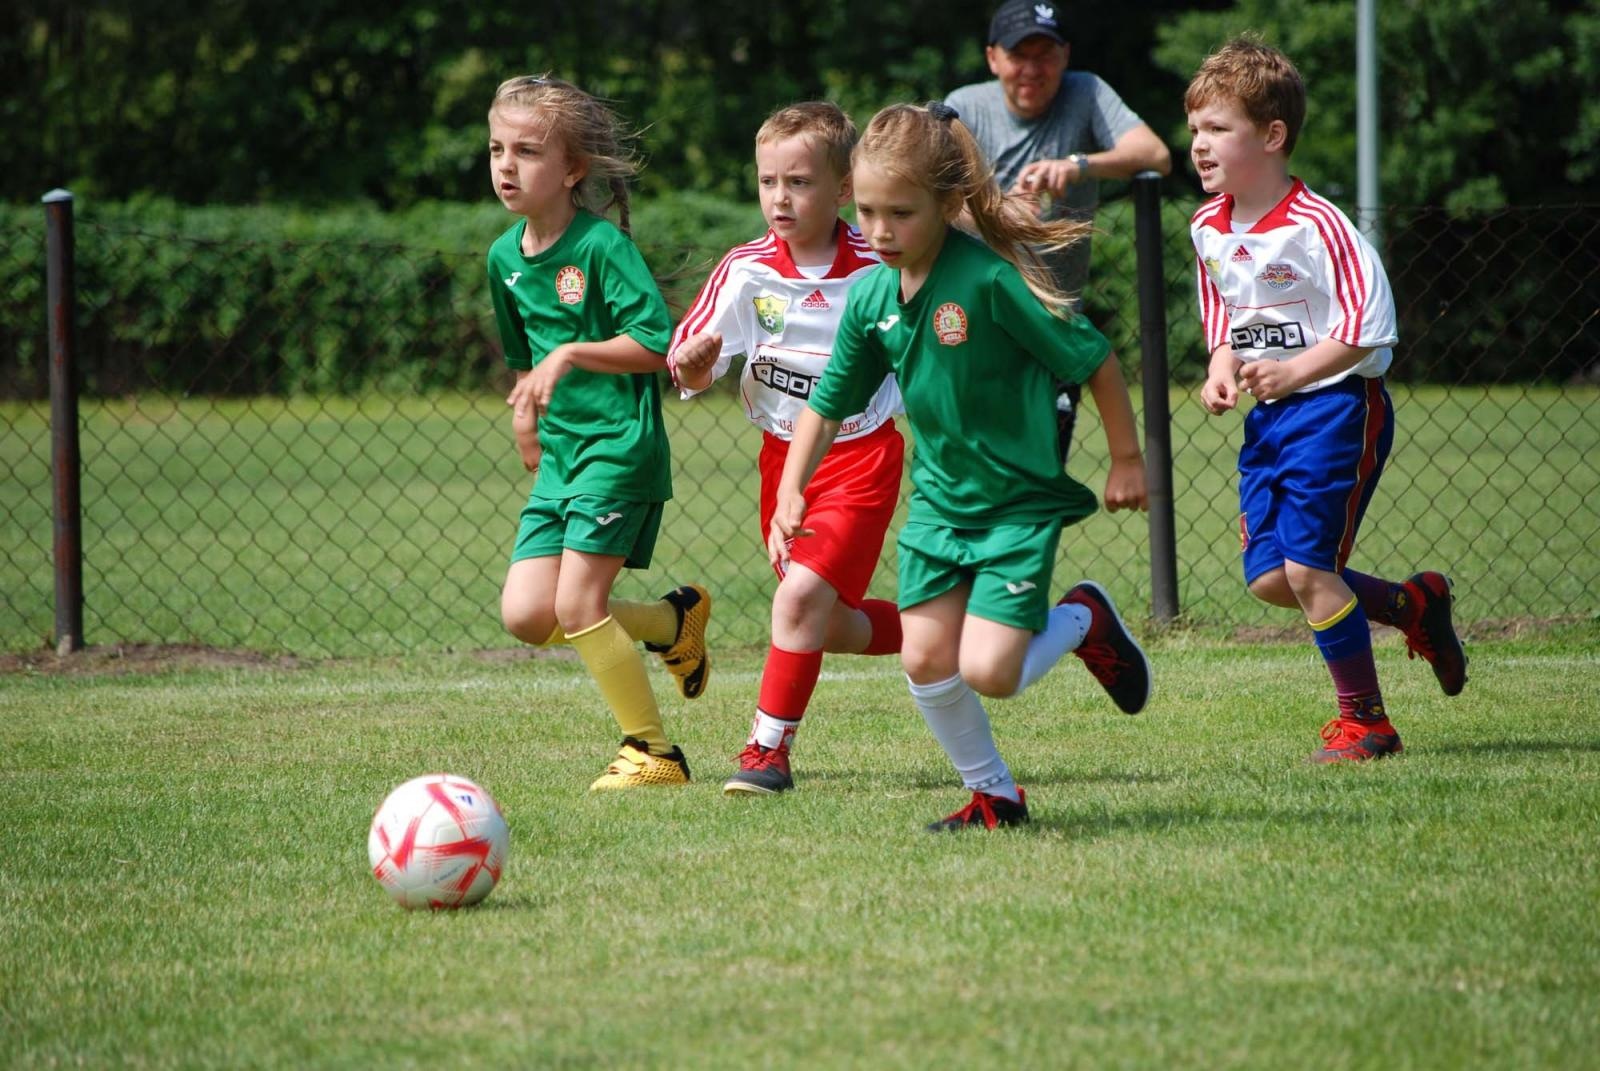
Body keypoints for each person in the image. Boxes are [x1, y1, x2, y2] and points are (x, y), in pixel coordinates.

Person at [769, 101, 1153, 832]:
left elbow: (1094, 360)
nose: (880, 232)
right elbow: (825, 403)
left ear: (948, 204)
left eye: (902, 214)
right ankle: (996, 798)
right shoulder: (872, 295)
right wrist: (793, 487)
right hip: (941, 507)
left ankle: (1083, 618)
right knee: (925, 657)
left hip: (1015, 504)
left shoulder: (988, 281)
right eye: (870, 211)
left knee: (991, 671)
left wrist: (1126, 460)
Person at [1186, 37, 1468, 763]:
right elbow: (1225, 318)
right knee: (1273, 580)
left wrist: (1295, 372)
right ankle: (1412, 606)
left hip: (1338, 408)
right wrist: (1223, 366)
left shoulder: (1319, 226)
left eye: (1218, 129)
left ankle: (1367, 724)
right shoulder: (1207, 226)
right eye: (1195, 130)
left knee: (1311, 571)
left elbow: (1372, 330)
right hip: (1271, 419)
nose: (1200, 145)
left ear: (1272, 136)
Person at [669, 102, 905, 797]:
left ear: (842, 190)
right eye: (768, 180)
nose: (780, 196)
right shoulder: (745, 270)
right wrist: (693, 362)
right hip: (782, 461)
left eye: (799, 182)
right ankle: (949, 628)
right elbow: (688, 361)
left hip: (861, 457)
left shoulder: (878, 269)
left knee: (798, 599)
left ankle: (767, 750)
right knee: (825, 621)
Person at [487, 74, 712, 791]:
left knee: (577, 606)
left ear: (573, 170)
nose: (504, 164)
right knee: (527, 614)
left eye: (526, 150)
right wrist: (527, 411)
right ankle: (670, 625)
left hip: (619, 447)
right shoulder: (503, 258)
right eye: (496, 148)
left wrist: (573, 353)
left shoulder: (601, 248)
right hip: (563, 459)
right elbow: (525, 360)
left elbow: (657, 344)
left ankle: (654, 752)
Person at [947, 0, 1172, 456]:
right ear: (993, 58)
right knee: (969, 470)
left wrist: (1080, 166)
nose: (1032, 69)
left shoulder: (1085, 92)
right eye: (1018, 55)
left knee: (1044, 472)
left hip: (1052, 320)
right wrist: (1002, 216)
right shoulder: (961, 108)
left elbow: (1157, 156)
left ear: (1065, 55)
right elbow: (933, 206)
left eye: (1044, 54)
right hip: (974, 318)